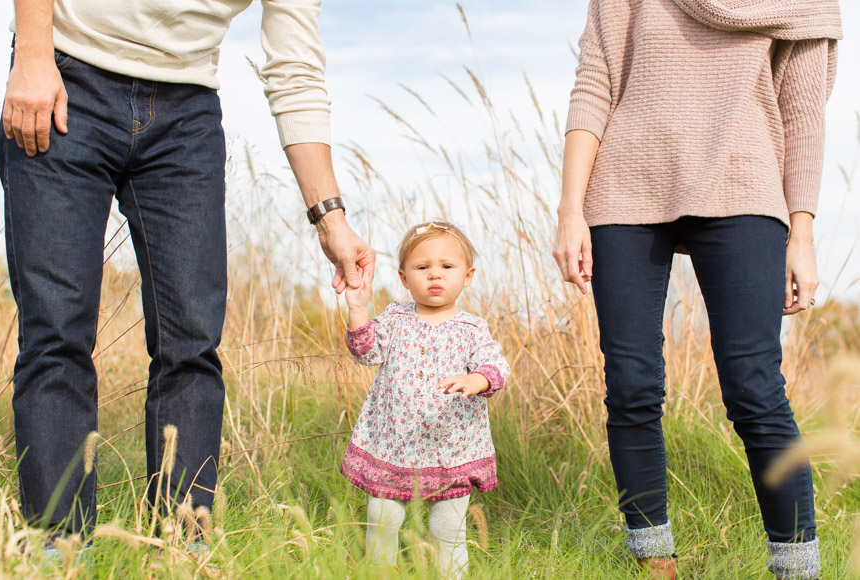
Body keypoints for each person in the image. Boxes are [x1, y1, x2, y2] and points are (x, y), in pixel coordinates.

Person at [0, 0, 375, 540]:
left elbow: (295, 72)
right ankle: (58, 550)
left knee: (191, 344)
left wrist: (329, 218)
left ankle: (184, 546)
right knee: (56, 334)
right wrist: (33, 53)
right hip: (65, 74)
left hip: (186, 112)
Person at [552, 1, 841, 578]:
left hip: (745, 183)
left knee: (755, 388)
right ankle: (654, 564)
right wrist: (570, 209)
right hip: (625, 186)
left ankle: (797, 569)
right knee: (631, 386)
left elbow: (803, 114)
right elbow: (594, 85)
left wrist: (802, 232)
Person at [340, 221, 509, 578]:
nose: (435, 274)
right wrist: (358, 309)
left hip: (451, 448)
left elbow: (495, 364)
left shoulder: (472, 328)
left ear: (467, 275)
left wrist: (476, 379)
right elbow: (366, 351)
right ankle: (379, 571)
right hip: (394, 443)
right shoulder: (396, 318)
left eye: (447, 266)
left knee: (448, 530)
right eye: (422, 267)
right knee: (382, 519)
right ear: (404, 277)